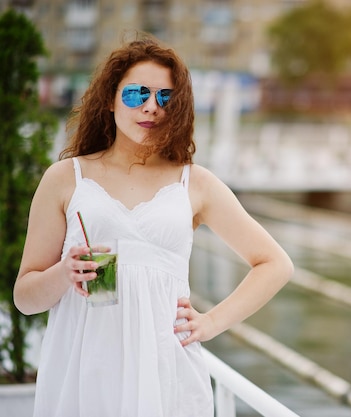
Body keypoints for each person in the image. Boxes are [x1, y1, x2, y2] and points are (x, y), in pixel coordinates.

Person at [13, 35, 294, 417]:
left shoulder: (195, 183)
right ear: (111, 99)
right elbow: (25, 298)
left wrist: (210, 322)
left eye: (165, 98)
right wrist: (64, 273)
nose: (151, 107)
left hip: (167, 373)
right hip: (82, 368)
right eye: (136, 94)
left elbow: (275, 264)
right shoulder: (65, 178)